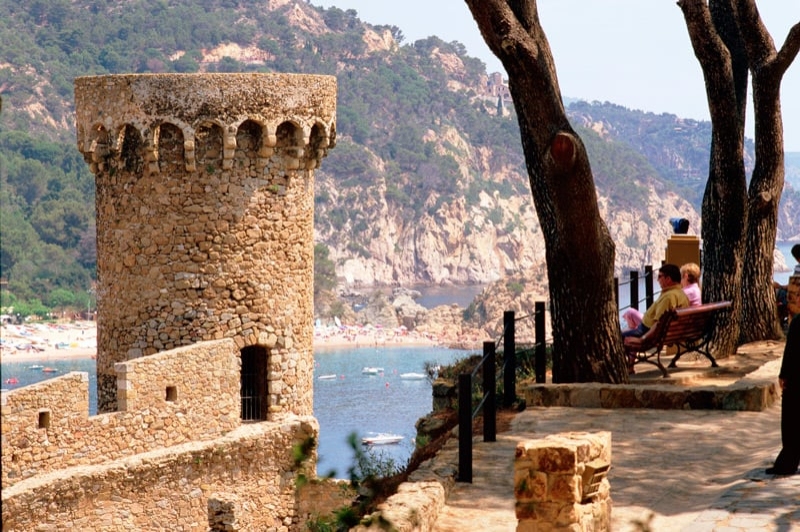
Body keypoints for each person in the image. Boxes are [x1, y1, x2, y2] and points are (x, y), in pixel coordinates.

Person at [766, 314, 800, 475]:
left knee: (792, 420)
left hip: (797, 381)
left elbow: (791, 351)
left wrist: (784, 374)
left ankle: (788, 461)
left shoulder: (798, 323)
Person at [623, 262, 700, 331]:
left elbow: (658, 323)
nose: (657, 280)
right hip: (677, 328)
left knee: (630, 313)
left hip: (652, 330)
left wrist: (643, 338)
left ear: (686, 276)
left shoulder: (676, 294)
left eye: (659, 276)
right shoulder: (692, 291)